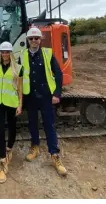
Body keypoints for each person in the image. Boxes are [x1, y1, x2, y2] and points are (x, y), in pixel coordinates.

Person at [18, 27, 68, 176]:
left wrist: (57, 93)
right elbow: (19, 77)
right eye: (31, 38)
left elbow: (58, 73)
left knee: (49, 125)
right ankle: (35, 147)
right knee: (32, 123)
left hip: (46, 96)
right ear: (28, 40)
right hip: (30, 96)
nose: (34, 40)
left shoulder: (47, 53)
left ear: (41, 40)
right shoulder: (22, 55)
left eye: (36, 38)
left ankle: (54, 155)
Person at [0, 41, 23, 184]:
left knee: (12, 127)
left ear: (10, 53)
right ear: (0, 53)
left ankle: (10, 147)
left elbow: (20, 89)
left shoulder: (18, 68)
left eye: (7, 52)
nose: (4, 54)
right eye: (2, 52)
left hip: (11, 103)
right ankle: (3, 160)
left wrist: (20, 105)